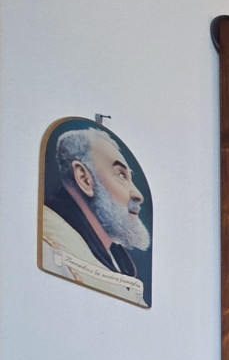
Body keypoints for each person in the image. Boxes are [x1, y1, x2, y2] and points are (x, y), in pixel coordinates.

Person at [40, 123, 151, 306]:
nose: (138, 195)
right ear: (84, 178)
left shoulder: (116, 259)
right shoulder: (49, 247)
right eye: (121, 175)